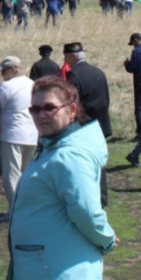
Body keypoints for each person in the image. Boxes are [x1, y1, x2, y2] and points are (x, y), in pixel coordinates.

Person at [6, 76, 117, 280]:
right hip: (54, 270)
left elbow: (86, 211)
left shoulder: (69, 155)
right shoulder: (52, 149)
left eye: (49, 107)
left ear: (72, 110)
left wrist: (106, 239)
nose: (41, 115)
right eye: (35, 109)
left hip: (58, 271)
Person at [62, 42, 111, 206]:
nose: (65, 60)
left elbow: (73, 102)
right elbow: (106, 99)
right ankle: (102, 196)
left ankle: (87, 196)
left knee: (83, 162)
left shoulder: (74, 75)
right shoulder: (98, 72)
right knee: (98, 160)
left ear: (73, 56)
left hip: (84, 124)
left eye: (66, 56)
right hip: (100, 122)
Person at [0, 56, 36, 222]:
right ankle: (26, 209)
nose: (2, 74)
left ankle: (15, 211)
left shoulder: (6, 86)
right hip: (32, 134)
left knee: (11, 175)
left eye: (3, 71)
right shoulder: (33, 84)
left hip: (12, 134)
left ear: (13, 69)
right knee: (26, 175)